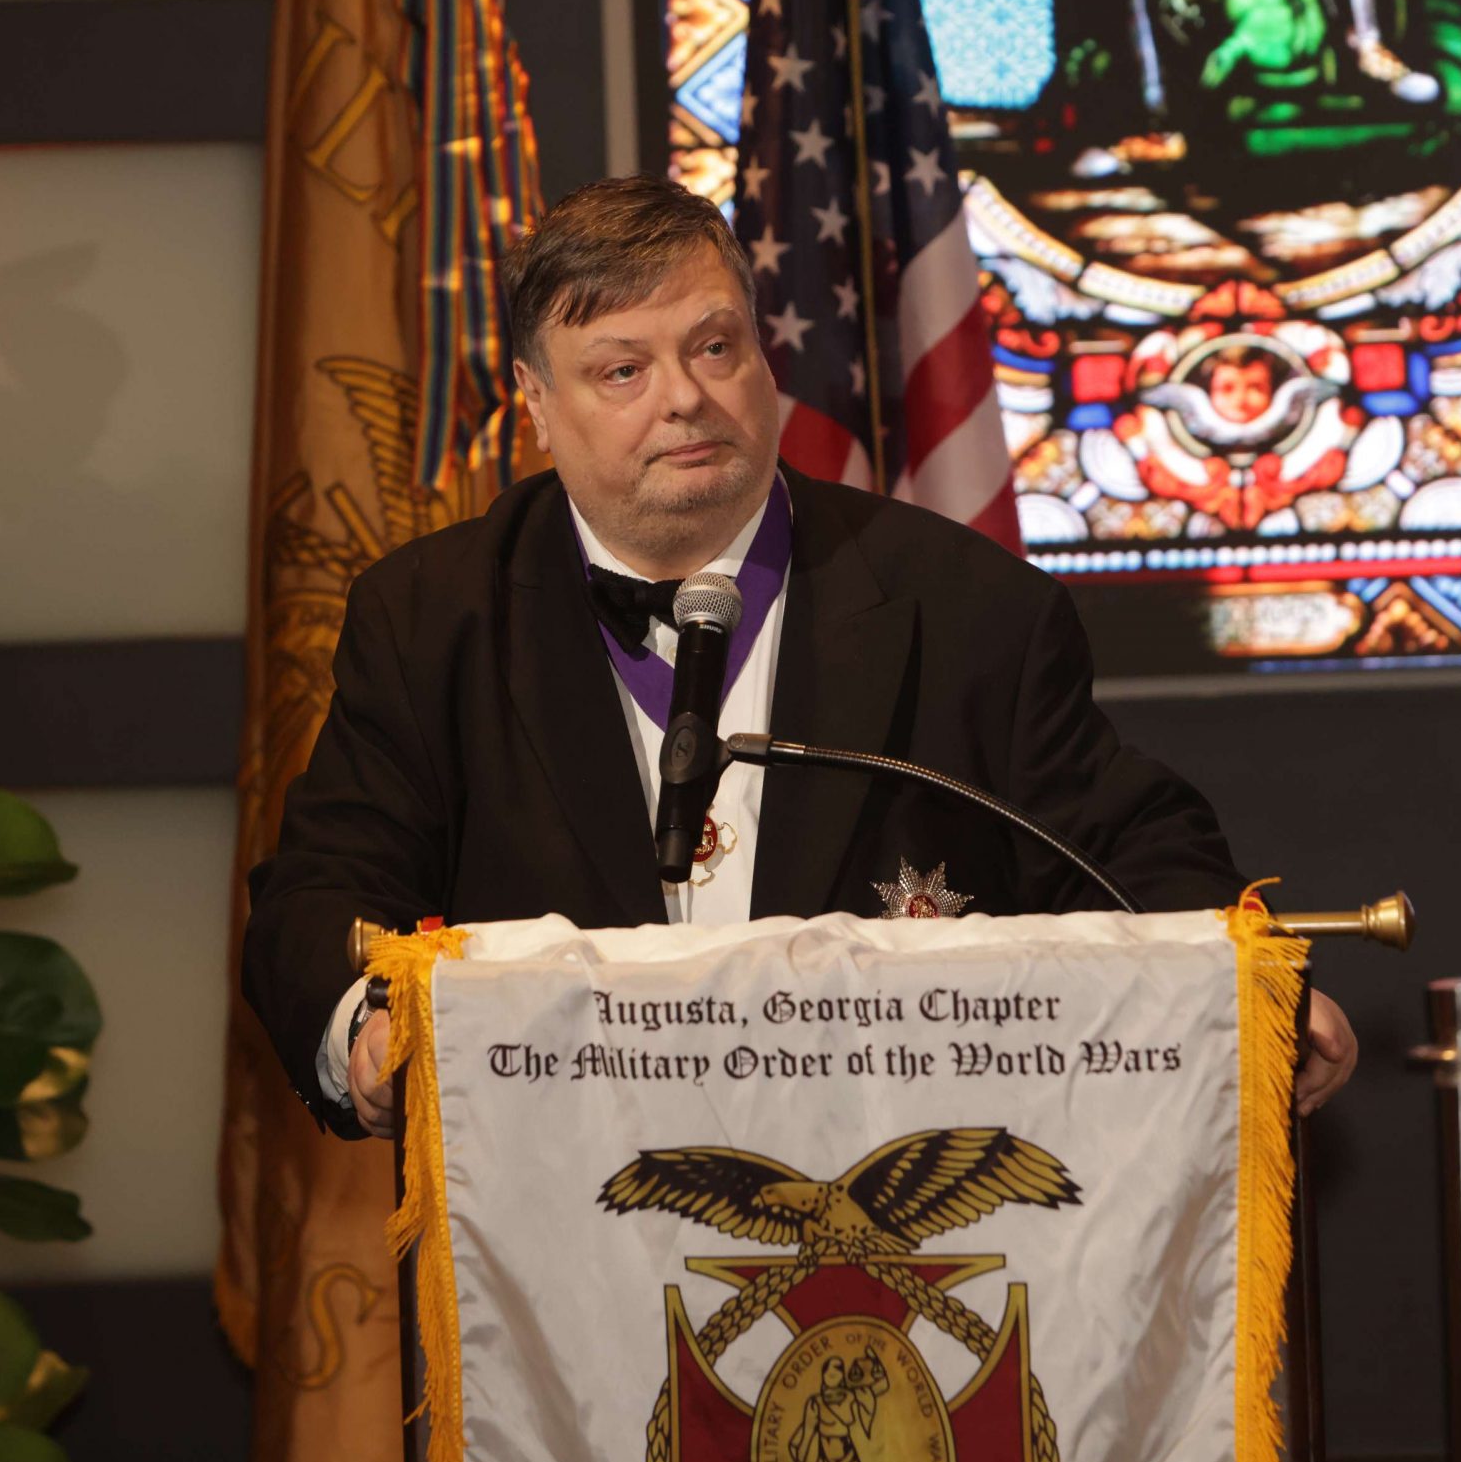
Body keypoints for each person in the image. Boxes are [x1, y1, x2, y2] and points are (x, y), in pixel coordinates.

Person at [242, 175, 1357, 1139]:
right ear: (536, 403)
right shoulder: (431, 617)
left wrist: (1253, 990)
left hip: (901, 1193)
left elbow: (1127, 850)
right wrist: (365, 1032)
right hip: (552, 1216)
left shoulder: (968, 607)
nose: (686, 397)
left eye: (713, 347)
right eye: (622, 370)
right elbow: (322, 890)